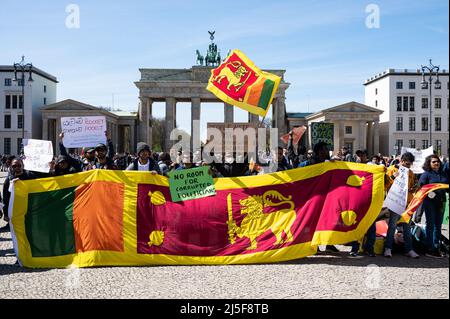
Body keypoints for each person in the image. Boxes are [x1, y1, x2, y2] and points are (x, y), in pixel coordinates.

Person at [383, 152, 419, 258]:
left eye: (410, 165)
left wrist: (414, 187)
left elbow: (413, 185)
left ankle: (409, 249)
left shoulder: (411, 173)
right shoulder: (391, 170)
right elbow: (384, 185)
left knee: (407, 227)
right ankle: (388, 248)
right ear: (402, 161)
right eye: (407, 164)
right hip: (395, 201)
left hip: (407, 203)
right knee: (392, 226)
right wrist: (393, 177)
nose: (408, 166)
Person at [419, 155, 449, 258]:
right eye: (434, 162)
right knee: (430, 225)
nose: (436, 163)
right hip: (430, 202)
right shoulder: (426, 174)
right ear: (429, 163)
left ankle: (437, 247)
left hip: (441, 202)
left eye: (438, 162)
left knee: (438, 226)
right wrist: (430, 194)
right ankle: (430, 248)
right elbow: (421, 188)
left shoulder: (444, 174)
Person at [1, 159, 38, 231]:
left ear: (23, 166)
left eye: (19, 165)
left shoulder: (30, 176)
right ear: (11, 167)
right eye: (14, 166)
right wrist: (5, 213)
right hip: (15, 210)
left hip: (29, 209)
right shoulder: (9, 180)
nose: (17, 167)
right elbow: (6, 198)